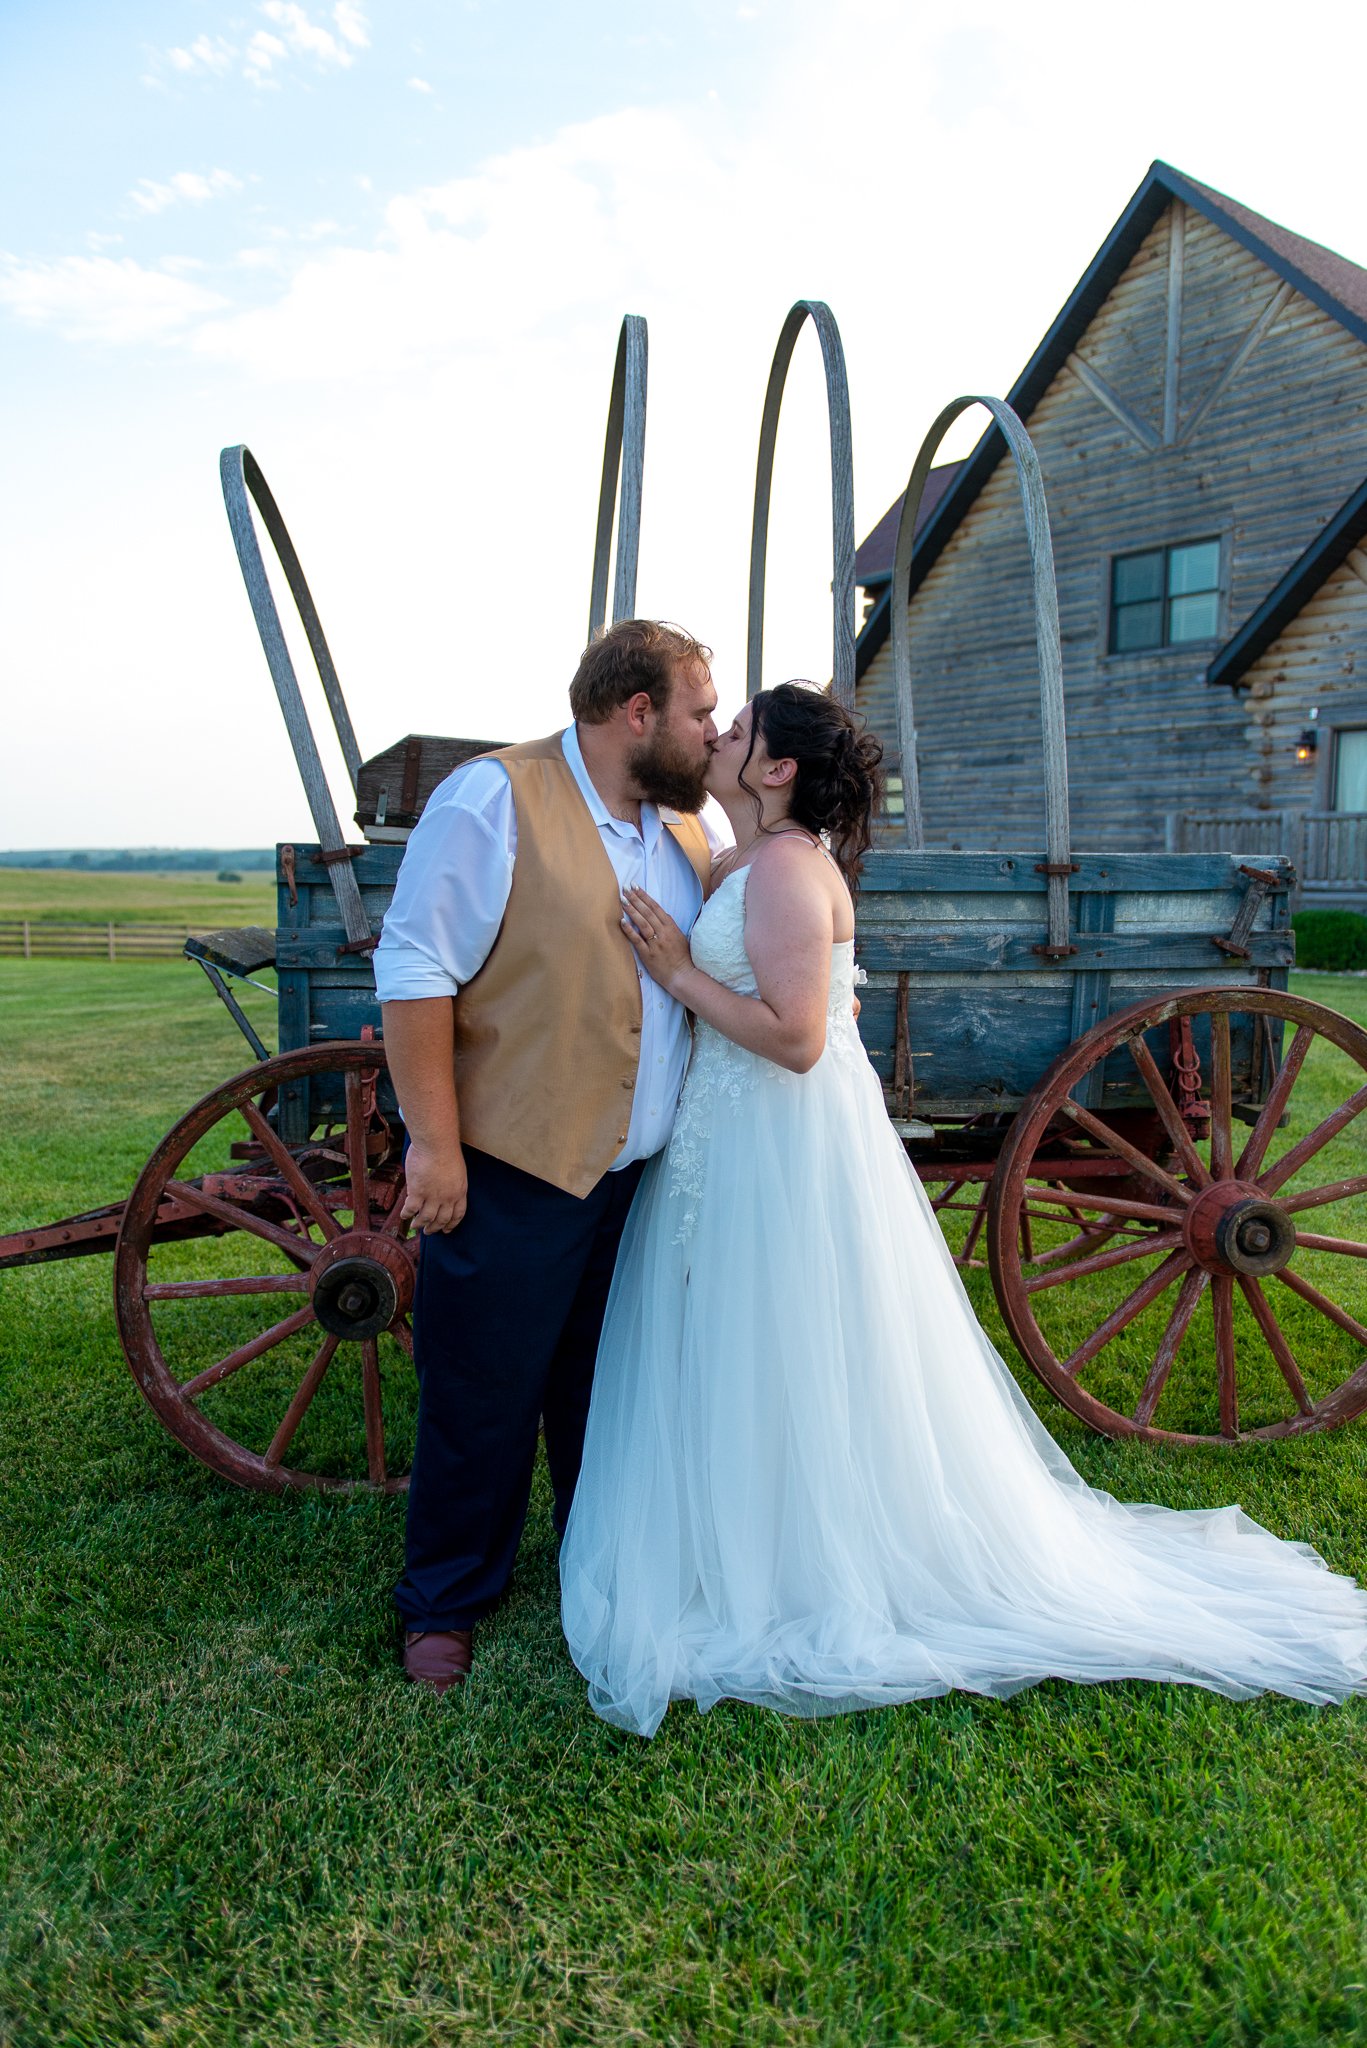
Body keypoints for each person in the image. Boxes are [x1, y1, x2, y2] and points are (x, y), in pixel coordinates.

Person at [559, 681, 1367, 1738]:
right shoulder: (734, 859)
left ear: (775, 769)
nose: (716, 736)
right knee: (735, 1331)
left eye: (738, 729)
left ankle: (803, 1554)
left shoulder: (789, 870)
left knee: (781, 1322)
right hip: (730, 1127)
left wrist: (674, 970)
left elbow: (797, 1038)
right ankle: (739, 1524)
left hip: (773, 1130)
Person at [374, 619, 721, 1694]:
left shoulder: (689, 835)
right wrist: (433, 1143)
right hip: (515, 1164)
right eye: (700, 710)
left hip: (638, 1179)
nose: (714, 732)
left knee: (602, 1390)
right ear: (636, 713)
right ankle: (444, 1598)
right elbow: (416, 963)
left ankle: (592, 1561)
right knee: (482, 1391)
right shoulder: (495, 798)